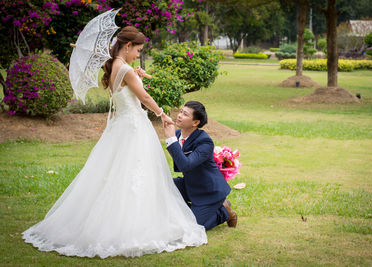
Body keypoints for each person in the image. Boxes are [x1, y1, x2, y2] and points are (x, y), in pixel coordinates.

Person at [22, 26, 207, 258]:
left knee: (117, 174)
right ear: (127, 46)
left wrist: (136, 77)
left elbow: (127, 92)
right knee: (134, 172)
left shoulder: (114, 68)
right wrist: (162, 113)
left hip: (121, 127)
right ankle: (132, 227)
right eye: (138, 50)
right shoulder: (126, 69)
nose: (138, 54)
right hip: (133, 127)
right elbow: (144, 97)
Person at [163, 101, 238, 231]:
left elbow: (185, 166)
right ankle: (188, 212)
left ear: (195, 123)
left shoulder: (204, 142)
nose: (180, 115)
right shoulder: (178, 134)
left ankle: (224, 211)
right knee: (164, 186)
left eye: (185, 114)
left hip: (208, 191)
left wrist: (171, 140)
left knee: (193, 228)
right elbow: (179, 167)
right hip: (190, 184)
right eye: (181, 111)